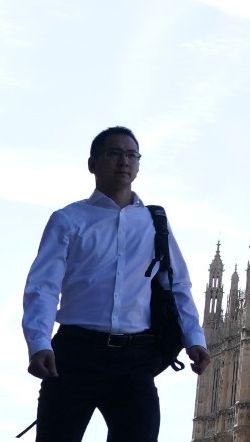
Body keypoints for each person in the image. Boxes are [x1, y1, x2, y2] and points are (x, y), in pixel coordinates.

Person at [22, 126, 209, 442]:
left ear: (138, 165)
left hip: (135, 358)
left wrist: (195, 338)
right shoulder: (69, 219)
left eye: (131, 155)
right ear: (93, 163)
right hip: (76, 352)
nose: (124, 161)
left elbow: (177, 285)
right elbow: (43, 286)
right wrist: (38, 342)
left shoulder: (154, 223)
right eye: (114, 153)